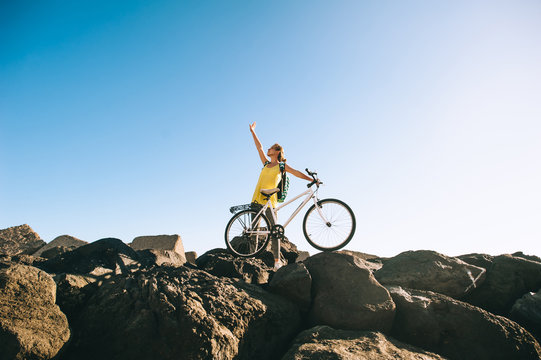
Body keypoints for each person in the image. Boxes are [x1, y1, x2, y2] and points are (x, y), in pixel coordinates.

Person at [249, 122, 314, 270]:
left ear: (277, 151)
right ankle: (251, 257)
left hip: (271, 202)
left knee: (275, 231)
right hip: (257, 199)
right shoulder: (265, 164)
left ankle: (277, 261)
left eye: (271, 148)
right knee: (253, 230)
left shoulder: (281, 166)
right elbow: (258, 147)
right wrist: (253, 132)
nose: (268, 149)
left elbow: (296, 172)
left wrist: (310, 179)